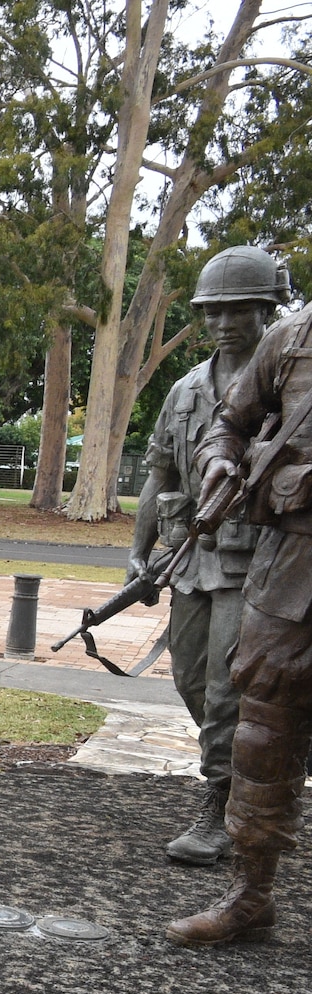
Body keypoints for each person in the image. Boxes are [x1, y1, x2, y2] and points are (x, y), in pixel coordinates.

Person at [167, 249, 310, 946]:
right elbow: (229, 421)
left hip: (270, 559)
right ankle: (251, 892)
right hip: (292, 559)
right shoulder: (294, 342)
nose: (222, 321)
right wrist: (222, 457)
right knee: (260, 714)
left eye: (234, 308)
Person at [128, 245, 284, 865]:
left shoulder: (287, 382)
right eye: (212, 311)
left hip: (257, 562)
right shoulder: (188, 389)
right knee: (190, 676)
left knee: (228, 686)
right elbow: (159, 473)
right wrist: (139, 552)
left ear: (265, 308)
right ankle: (252, 775)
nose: (223, 323)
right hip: (191, 558)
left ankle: (220, 808)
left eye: (237, 309)